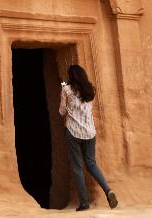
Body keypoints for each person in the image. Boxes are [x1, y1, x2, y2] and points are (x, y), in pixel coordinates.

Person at [59, 64, 118, 212]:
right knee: (91, 164)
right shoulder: (90, 90)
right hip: (90, 132)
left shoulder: (67, 90)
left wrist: (63, 90)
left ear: (71, 76)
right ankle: (108, 190)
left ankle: (84, 203)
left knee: (77, 167)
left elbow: (61, 111)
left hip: (73, 132)